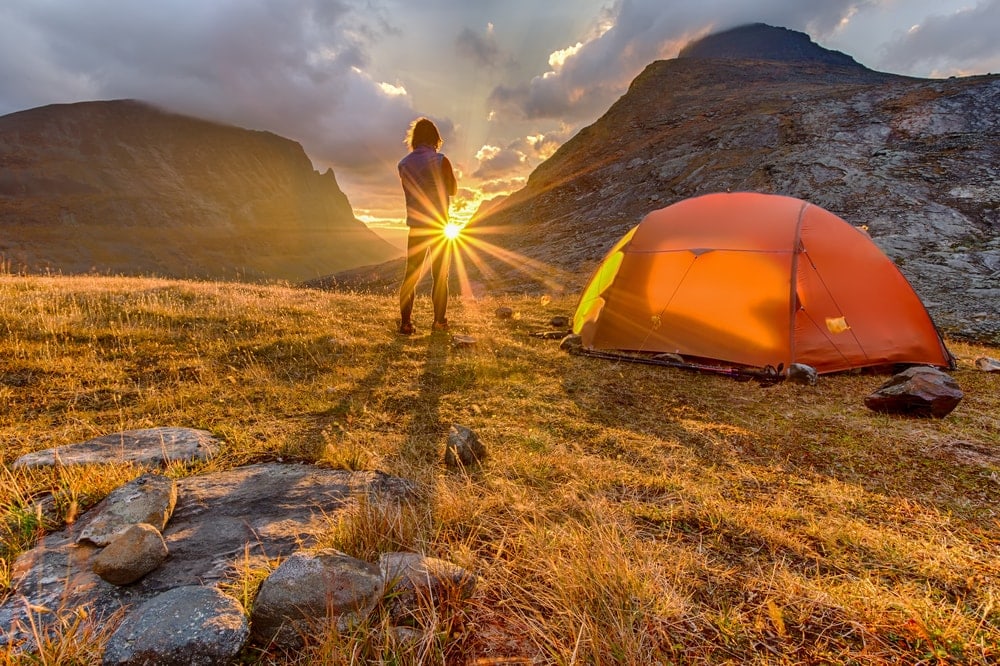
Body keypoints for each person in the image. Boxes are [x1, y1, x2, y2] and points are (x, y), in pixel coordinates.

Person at [397, 117, 457, 335]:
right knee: (440, 276)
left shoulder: (403, 164)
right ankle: (439, 322)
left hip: (416, 226)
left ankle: (405, 324)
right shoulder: (441, 160)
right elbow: (453, 190)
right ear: (435, 138)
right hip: (439, 226)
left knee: (411, 276)